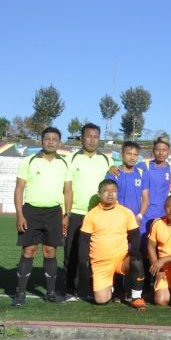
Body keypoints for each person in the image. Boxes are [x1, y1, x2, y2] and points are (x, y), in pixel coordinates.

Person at [12, 127, 73, 306]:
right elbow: (19, 189)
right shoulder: (28, 161)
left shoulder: (64, 163)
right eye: (47, 138)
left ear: (59, 142)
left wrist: (67, 215)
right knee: (28, 251)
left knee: (50, 251)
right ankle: (21, 294)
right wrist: (20, 215)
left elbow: (68, 191)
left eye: (55, 139)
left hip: (54, 212)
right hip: (31, 211)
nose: (51, 141)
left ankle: (51, 293)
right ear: (42, 141)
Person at [79, 179, 146, 310]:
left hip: (121, 259)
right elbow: (84, 240)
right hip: (101, 263)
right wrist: (83, 264)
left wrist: (133, 252)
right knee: (101, 300)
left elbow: (135, 235)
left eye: (113, 191)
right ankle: (114, 285)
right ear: (99, 194)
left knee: (136, 260)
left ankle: (136, 297)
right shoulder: (91, 215)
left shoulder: (125, 212)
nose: (110, 194)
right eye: (106, 191)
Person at [64, 122, 112, 301]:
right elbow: (66, 188)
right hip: (76, 212)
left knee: (96, 252)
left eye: (96, 136)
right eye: (89, 136)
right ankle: (70, 289)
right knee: (72, 251)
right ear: (82, 138)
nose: (92, 140)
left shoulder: (107, 160)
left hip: (99, 214)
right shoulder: (72, 159)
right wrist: (66, 213)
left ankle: (92, 287)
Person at [137, 136, 171, 250]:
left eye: (164, 150)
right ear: (153, 151)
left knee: (160, 246)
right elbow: (126, 170)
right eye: (157, 150)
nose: (161, 153)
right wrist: (114, 168)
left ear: (168, 152)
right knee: (143, 246)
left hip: (163, 214)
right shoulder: (143, 166)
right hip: (145, 213)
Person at [105, 141, 147, 223]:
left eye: (135, 155)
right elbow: (107, 198)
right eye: (129, 154)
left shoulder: (142, 174)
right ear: (122, 155)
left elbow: (145, 199)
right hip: (116, 220)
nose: (132, 157)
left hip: (135, 220)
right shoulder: (113, 174)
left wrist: (139, 216)